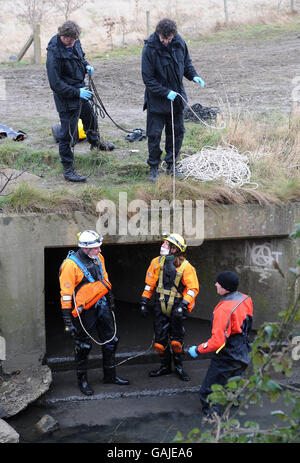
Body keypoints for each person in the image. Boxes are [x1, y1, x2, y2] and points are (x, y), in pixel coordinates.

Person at [59, 230, 129, 396]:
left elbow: (104, 279)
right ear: (85, 249)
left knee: (112, 340)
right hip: (84, 312)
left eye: (99, 247)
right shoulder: (70, 265)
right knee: (83, 346)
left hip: (101, 305)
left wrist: (110, 299)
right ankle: (82, 381)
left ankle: (110, 376)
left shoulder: (98, 258)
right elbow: (66, 294)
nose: (99, 251)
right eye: (96, 248)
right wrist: (67, 319)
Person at [46, 21, 115, 183]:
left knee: (90, 117)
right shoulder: (54, 54)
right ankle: (68, 168)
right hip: (66, 98)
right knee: (67, 134)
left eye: (75, 41)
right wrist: (77, 93)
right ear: (62, 36)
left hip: (80, 91)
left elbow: (81, 58)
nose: (73, 43)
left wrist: (86, 66)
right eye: (70, 41)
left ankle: (95, 142)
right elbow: (55, 84)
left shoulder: (75, 42)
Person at [141, 18, 205, 183]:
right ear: (158, 34)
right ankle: (154, 167)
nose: (165, 42)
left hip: (176, 98)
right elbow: (148, 79)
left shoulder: (179, 43)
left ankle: (171, 164)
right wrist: (165, 92)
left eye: (168, 39)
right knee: (154, 135)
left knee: (177, 133)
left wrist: (194, 76)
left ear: (173, 35)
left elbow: (186, 64)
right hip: (156, 100)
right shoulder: (150, 48)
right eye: (163, 38)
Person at [188, 271, 254, 416]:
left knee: (208, 390)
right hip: (243, 347)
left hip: (227, 354)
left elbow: (218, 342)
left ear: (225, 288)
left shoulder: (223, 309)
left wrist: (198, 349)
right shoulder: (245, 299)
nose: (215, 284)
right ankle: (235, 403)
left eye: (218, 283)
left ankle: (212, 417)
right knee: (235, 379)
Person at [140, 233, 199, 381]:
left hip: (177, 307)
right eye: (164, 243)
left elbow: (192, 288)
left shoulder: (186, 267)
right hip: (160, 305)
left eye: (167, 244)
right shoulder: (156, 262)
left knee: (176, 341)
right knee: (160, 342)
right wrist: (144, 301)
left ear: (174, 249)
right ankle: (165, 367)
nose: (163, 246)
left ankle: (179, 367)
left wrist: (184, 305)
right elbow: (149, 284)